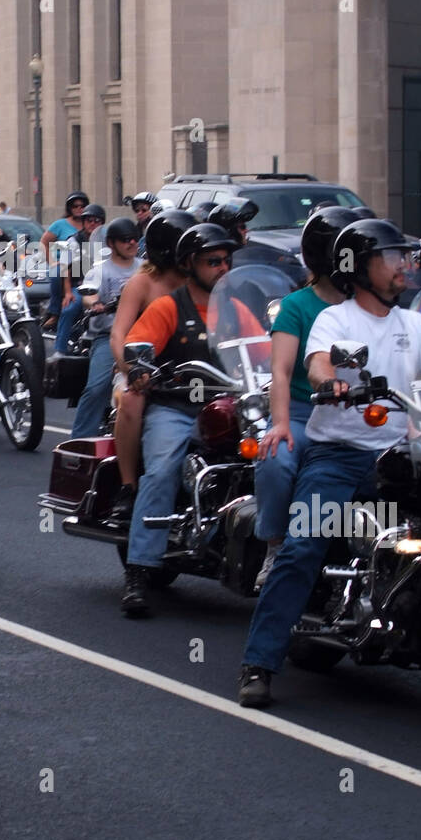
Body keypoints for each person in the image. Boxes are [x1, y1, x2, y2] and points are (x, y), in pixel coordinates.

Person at [237, 218, 421, 707]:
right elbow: (319, 364)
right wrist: (332, 381)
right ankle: (258, 663)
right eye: (391, 257)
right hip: (339, 459)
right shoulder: (337, 320)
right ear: (357, 266)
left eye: (403, 256)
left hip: (403, 457)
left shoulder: (414, 324)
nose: (402, 266)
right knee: (303, 545)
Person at [119, 224, 266, 615]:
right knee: (163, 468)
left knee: (279, 459)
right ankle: (139, 571)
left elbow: (267, 351)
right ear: (189, 264)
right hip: (177, 407)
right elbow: (138, 347)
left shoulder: (235, 309)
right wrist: (141, 368)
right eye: (212, 261)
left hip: (230, 406)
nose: (222, 268)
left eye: (226, 261)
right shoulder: (169, 306)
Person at [253, 207, 363, 591]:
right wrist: (280, 424)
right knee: (276, 460)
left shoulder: (372, 304)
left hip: (367, 412)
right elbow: (280, 372)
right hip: (304, 411)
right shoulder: (297, 306)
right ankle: (275, 546)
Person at [106, 209, 197, 523]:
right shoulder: (141, 283)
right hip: (146, 371)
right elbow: (119, 334)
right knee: (131, 400)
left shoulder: (201, 282)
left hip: (196, 373)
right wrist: (130, 369)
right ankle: (129, 486)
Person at [68, 217, 142, 439]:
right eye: (125, 240)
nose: (131, 243)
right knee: (97, 388)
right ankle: (80, 440)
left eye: (134, 239)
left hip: (142, 336)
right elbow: (88, 295)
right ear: (111, 243)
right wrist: (96, 303)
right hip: (109, 336)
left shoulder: (145, 268)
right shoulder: (101, 270)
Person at [54, 204, 107, 353]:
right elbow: (65, 268)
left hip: (103, 286)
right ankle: (60, 351)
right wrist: (68, 293)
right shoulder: (74, 241)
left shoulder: (108, 240)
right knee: (69, 309)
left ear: (102, 223)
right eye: (89, 220)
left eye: (96, 220)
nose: (92, 223)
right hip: (80, 286)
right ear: (83, 222)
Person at [40, 192, 88, 330]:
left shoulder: (90, 224)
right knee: (56, 273)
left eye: (82, 206)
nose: (79, 208)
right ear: (69, 208)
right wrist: (52, 261)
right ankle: (55, 313)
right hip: (64, 263)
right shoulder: (60, 225)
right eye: (75, 206)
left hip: (85, 264)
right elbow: (43, 242)